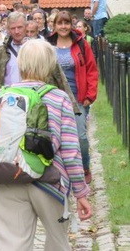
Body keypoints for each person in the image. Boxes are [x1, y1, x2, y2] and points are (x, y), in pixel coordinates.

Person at [0, 39, 91, 250]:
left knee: (12, 244)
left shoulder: (1, 95)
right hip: (50, 181)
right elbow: (72, 151)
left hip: (9, 178)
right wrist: (80, 192)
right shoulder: (60, 98)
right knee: (57, 241)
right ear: (50, 65)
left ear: (21, 64)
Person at [0, 12, 79, 114]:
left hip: (37, 103)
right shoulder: (1, 53)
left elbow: (59, 76)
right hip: (9, 103)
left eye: (20, 27)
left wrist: (71, 106)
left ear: (26, 26)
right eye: (13, 28)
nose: (17, 31)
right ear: (8, 29)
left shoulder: (41, 48)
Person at [46, 11, 99, 184]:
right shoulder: (48, 44)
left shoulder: (81, 44)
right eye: (60, 23)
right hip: (54, 98)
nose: (63, 27)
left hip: (77, 98)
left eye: (66, 23)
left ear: (71, 25)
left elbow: (91, 70)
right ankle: (59, 170)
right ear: (54, 25)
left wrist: (90, 95)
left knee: (81, 137)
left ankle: (84, 166)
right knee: (56, 136)